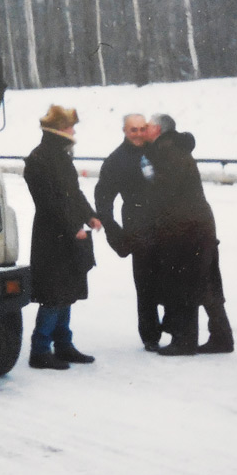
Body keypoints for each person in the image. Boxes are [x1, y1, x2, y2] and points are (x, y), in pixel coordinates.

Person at [142, 114, 234, 356]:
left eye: (149, 126)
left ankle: (185, 340)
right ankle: (222, 337)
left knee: (183, 282)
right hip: (199, 224)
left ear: (159, 129)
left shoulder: (167, 150)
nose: (145, 129)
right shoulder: (176, 148)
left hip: (185, 228)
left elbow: (166, 189)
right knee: (206, 281)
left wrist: (148, 175)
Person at [23, 104, 103, 370]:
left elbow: (73, 193)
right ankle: (40, 350)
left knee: (66, 291)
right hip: (52, 234)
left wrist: (89, 215)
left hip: (66, 231)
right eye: (70, 126)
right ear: (58, 129)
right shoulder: (40, 159)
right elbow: (49, 202)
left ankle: (64, 345)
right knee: (53, 294)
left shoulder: (60, 155)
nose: (73, 130)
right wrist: (72, 227)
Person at [95, 113, 162, 351]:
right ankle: (151, 335)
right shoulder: (116, 160)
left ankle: (176, 326)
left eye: (143, 129)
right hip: (138, 224)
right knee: (145, 282)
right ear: (124, 131)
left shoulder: (157, 150)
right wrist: (114, 231)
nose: (139, 134)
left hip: (165, 223)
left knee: (172, 277)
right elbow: (103, 198)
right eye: (133, 130)